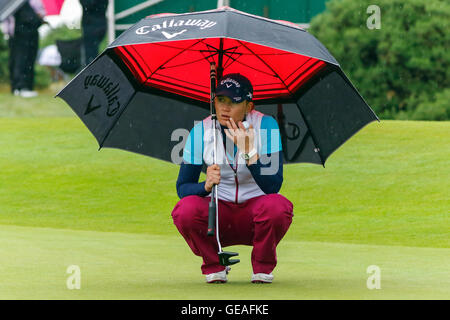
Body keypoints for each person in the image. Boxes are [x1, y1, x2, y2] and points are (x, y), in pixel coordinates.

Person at [172, 73, 294, 284]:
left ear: (248, 106)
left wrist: (249, 153)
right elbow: (183, 188)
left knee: (278, 206)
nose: (225, 108)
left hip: (256, 212)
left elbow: (273, 186)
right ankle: (214, 265)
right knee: (185, 210)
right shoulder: (201, 130)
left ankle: (262, 267)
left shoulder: (267, 126)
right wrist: (206, 185)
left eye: (233, 102)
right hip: (218, 217)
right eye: (220, 100)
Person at [3, 0, 46, 98]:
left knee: (28, 59)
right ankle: (20, 87)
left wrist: (39, 17)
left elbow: (40, 12)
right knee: (20, 59)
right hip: (19, 31)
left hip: (29, 31)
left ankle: (24, 87)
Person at [79, 0, 108, 66]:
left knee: (90, 58)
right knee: (93, 54)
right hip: (101, 25)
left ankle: (90, 72)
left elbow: (87, 4)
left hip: (91, 27)